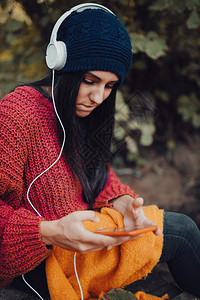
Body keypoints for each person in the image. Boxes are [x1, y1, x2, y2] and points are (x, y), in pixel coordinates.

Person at [0, 3, 200, 300]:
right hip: (40, 264)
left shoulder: (84, 113)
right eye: (90, 80)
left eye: (110, 86)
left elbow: (97, 173)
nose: (98, 97)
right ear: (60, 64)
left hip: (87, 247)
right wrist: (51, 231)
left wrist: (123, 204)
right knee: (182, 232)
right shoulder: (17, 115)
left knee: (176, 238)